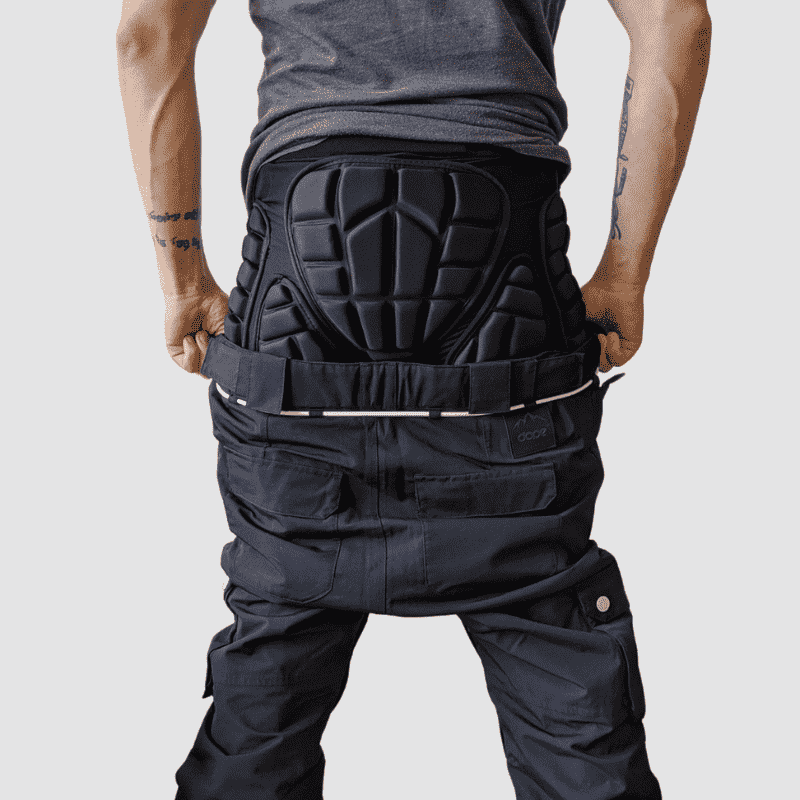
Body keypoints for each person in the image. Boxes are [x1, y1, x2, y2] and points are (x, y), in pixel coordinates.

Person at [116, 1, 711, 797]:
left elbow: (147, 34)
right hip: (508, 280)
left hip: (302, 281)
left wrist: (183, 279)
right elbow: (675, 21)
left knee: (273, 664)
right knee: (554, 649)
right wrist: (625, 275)